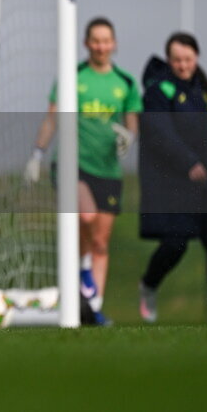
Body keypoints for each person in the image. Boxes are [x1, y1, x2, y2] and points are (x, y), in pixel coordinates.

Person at [25, 17, 141, 325]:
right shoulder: (72, 77)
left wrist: (129, 138)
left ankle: (93, 308)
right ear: (86, 44)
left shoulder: (125, 83)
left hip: (109, 171)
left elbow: (131, 123)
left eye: (107, 41)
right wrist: (38, 153)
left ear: (113, 44)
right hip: (72, 165)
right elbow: (52, 119)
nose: (101, 46)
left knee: (101, 242)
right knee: (86, 218)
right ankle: (83, 271)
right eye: (96, 40)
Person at [137, 32, 207, 324]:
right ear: (169, 60)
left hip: (205, 184)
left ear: (196, 57)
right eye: (177, 60)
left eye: (188, 59)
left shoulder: (205, 92)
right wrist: (188, 161)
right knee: (176, 243)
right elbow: (160, 133)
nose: (183, 65)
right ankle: (148, 284)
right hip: (172, 183)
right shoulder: (159, 91)